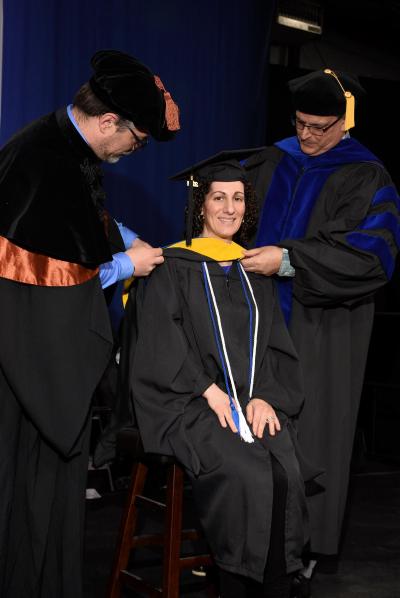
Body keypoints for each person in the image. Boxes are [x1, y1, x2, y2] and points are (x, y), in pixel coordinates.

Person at [0, 49, 179, 598]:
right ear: (108, 122)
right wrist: (129, 264)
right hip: (29, 367)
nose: (133, 149)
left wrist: (123, 238)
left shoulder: (58, 141)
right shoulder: (49, 161)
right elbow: (46, 278)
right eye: (136, 139)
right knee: (28, 488)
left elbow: (78, 221)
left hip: (25, 353)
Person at [124, 150, 312, 598]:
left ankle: (276, 583)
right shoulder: (173, 266)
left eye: (239, 198)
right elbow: (158, 343)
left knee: (285, 467)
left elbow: (273, 346)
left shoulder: (254, 272)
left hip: (247, 400)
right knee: (246, 469)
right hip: (183, 399)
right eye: (219, 198)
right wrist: (207, 390)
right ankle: (236, 581)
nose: (230, 209)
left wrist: (264, 394)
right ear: (201, 205)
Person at [242, 69, 400, 593]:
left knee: (311, 434)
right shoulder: (274, 159)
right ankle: (242, 541)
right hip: (258, 323)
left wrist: (288, 261)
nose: (309, 136)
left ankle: (298, 555)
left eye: (321, 127)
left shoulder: (366, 176)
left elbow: (371, 257)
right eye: (302, 124)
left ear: (345, 122)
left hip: (319, 324)